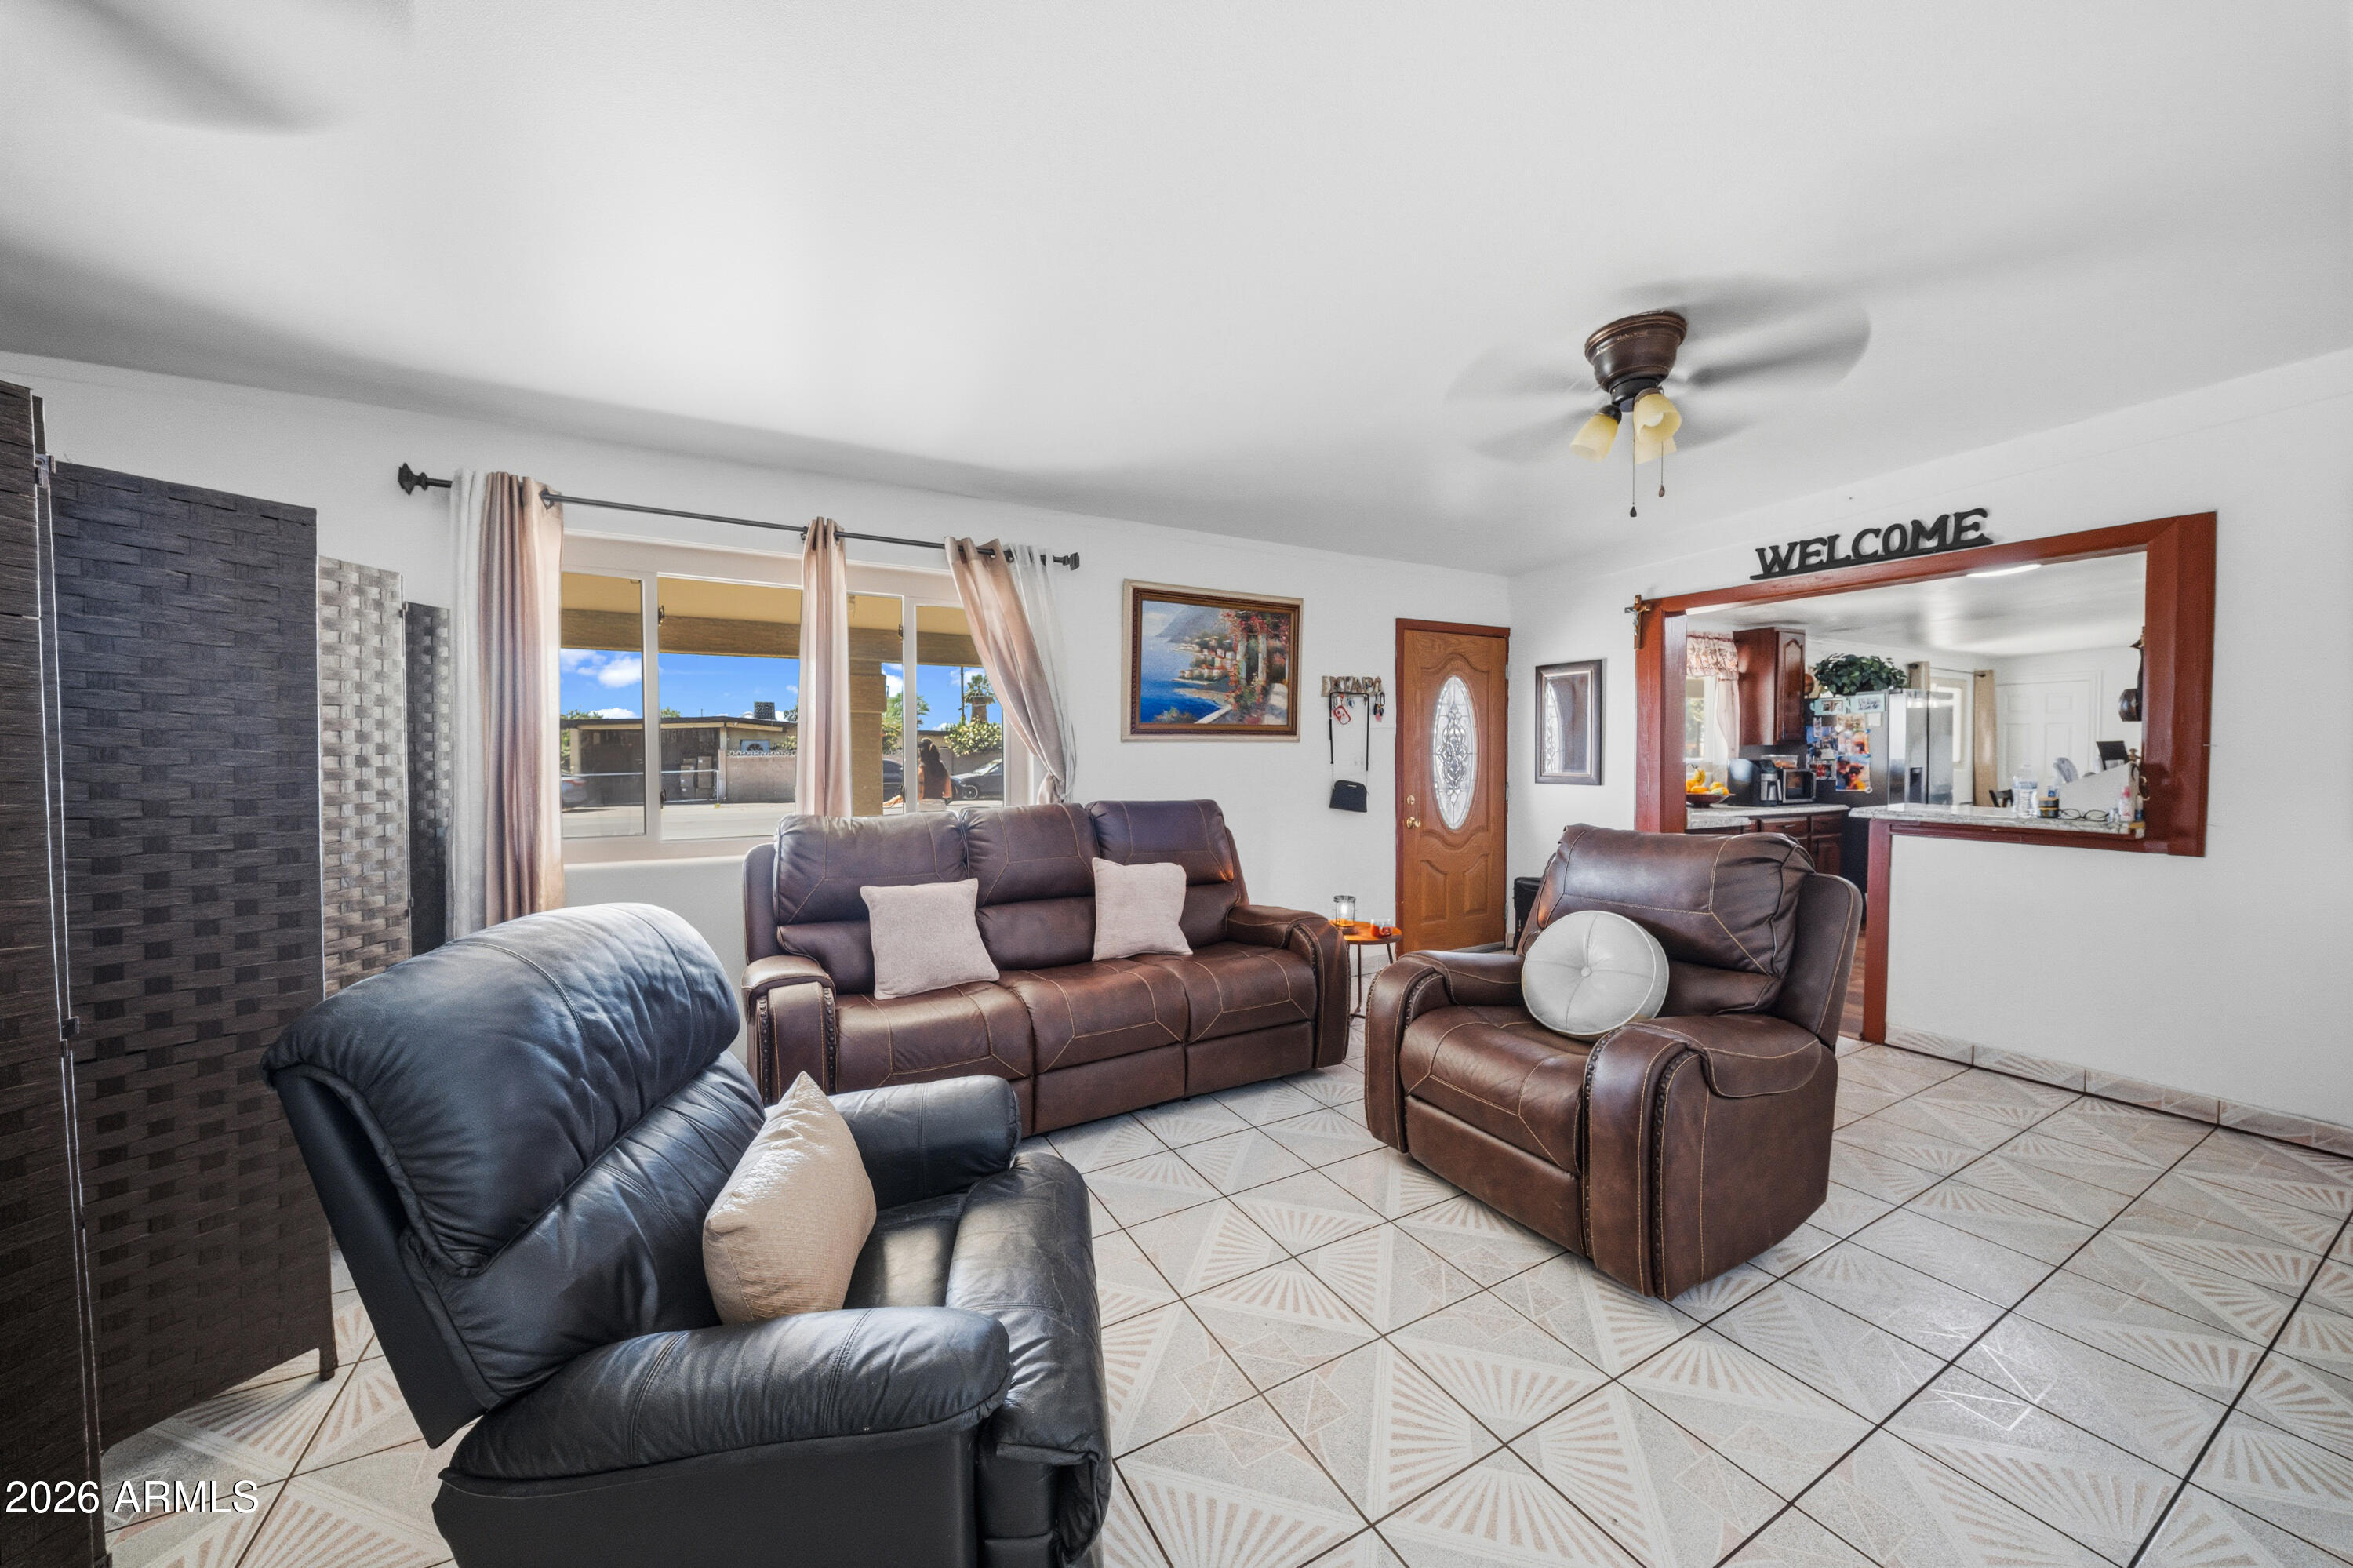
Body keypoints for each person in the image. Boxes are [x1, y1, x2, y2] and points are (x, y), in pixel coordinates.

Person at [918, 737, 952, 802]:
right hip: (941, 807)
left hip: (923, 807)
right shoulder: (943, 769)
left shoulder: (921, 770)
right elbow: (948, 794)